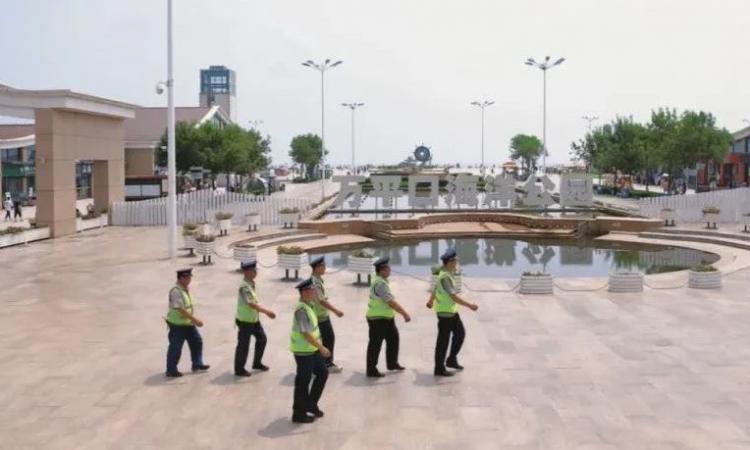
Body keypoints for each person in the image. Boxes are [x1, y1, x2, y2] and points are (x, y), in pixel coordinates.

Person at [426, 249, 479, 377]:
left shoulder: (445, 272)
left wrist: (431, 300)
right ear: (449, 262)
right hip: (445, 314)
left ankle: (451, 359)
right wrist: (469, 305)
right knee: (443, 342)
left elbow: (435, 288)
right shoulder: (445, 277)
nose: (457, 263)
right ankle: (439, 369)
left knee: (460, 334)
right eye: (455, 261)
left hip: (451, 312)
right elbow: (453, 296)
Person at [290, 278, 330, 423]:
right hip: (303, 351)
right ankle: (298, 414)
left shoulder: (309, 305)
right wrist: (321, 347)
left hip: (312, 349)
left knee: (323, 373)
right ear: (305, 292)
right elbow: (305, 333)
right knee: (303, 382)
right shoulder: (301, 310)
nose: (314, 292)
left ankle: (310, 404)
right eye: (312, 290)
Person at [366, 257, 410, 378]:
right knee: (375, 345)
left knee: (393, 340)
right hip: (378, 319)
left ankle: (392, 364)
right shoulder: (380, 284)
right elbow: (390, 302)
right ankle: (371, 370)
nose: (390, 270)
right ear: (382, 271)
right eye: (388, 268)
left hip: (386, 318)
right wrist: (404, 313)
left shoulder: (380, 279)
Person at [165, 268, 210, 377]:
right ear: (180, 278)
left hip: (187, 323)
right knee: (175, 347)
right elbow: (180, 309)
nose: (189, 280)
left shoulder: (184, 289)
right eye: (187, 278)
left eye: (190, 277)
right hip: (177, 325)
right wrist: (195, 320)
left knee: (197, 342)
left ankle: (197, 363)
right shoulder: (176, 291)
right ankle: (171, 370)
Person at [234, 260, 276, 377]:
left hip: (253, 320)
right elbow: (251, 304)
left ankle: (257, 363)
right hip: (245, 321)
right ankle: (239, 369)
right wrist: (267, 312)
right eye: (252, 271)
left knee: (262, 339)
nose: (255, 273)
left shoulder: (251, 283)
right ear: (246, 272)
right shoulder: (244, 287)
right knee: (243, 346)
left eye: (255, 270)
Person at [309, 256, 344, 373]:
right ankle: (327, 364)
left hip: (320, 315)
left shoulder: (317, 280)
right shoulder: (315, 282)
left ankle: (322, 364)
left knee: (324, 340)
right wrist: (336, 310)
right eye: (323, 266)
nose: (325, 268)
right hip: (320, 317)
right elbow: (322, 301)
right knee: (328, 339)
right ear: (316, 268)